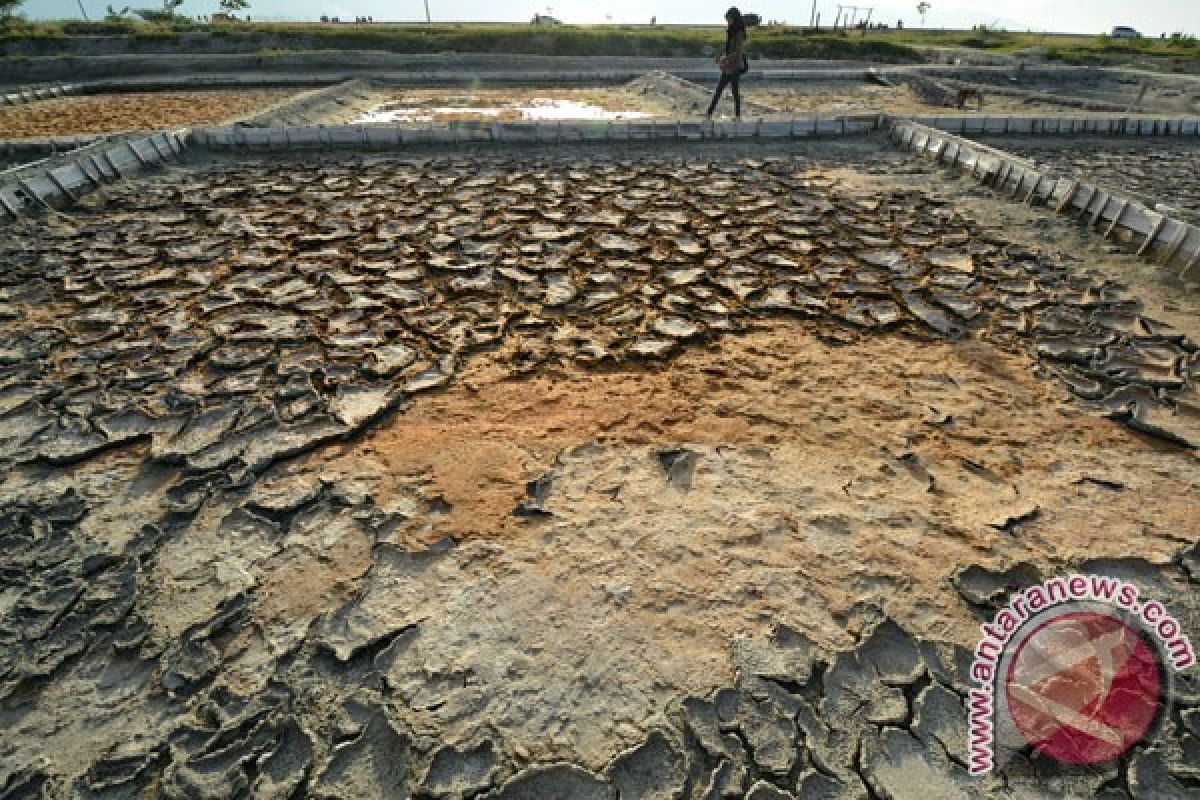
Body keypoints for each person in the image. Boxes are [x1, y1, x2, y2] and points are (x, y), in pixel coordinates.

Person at [706, 7, 749, 119]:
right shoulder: (731, 31)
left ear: (734, 19)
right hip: (728, 66)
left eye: (729, 19)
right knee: (719, 90)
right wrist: (719, 55)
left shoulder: (739, 33)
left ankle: (738, 116)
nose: (727, 21)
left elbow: (738, 52)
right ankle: (709, 113)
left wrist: (725, 59)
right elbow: (727, 46)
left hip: (735, 67)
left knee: (734, 92)